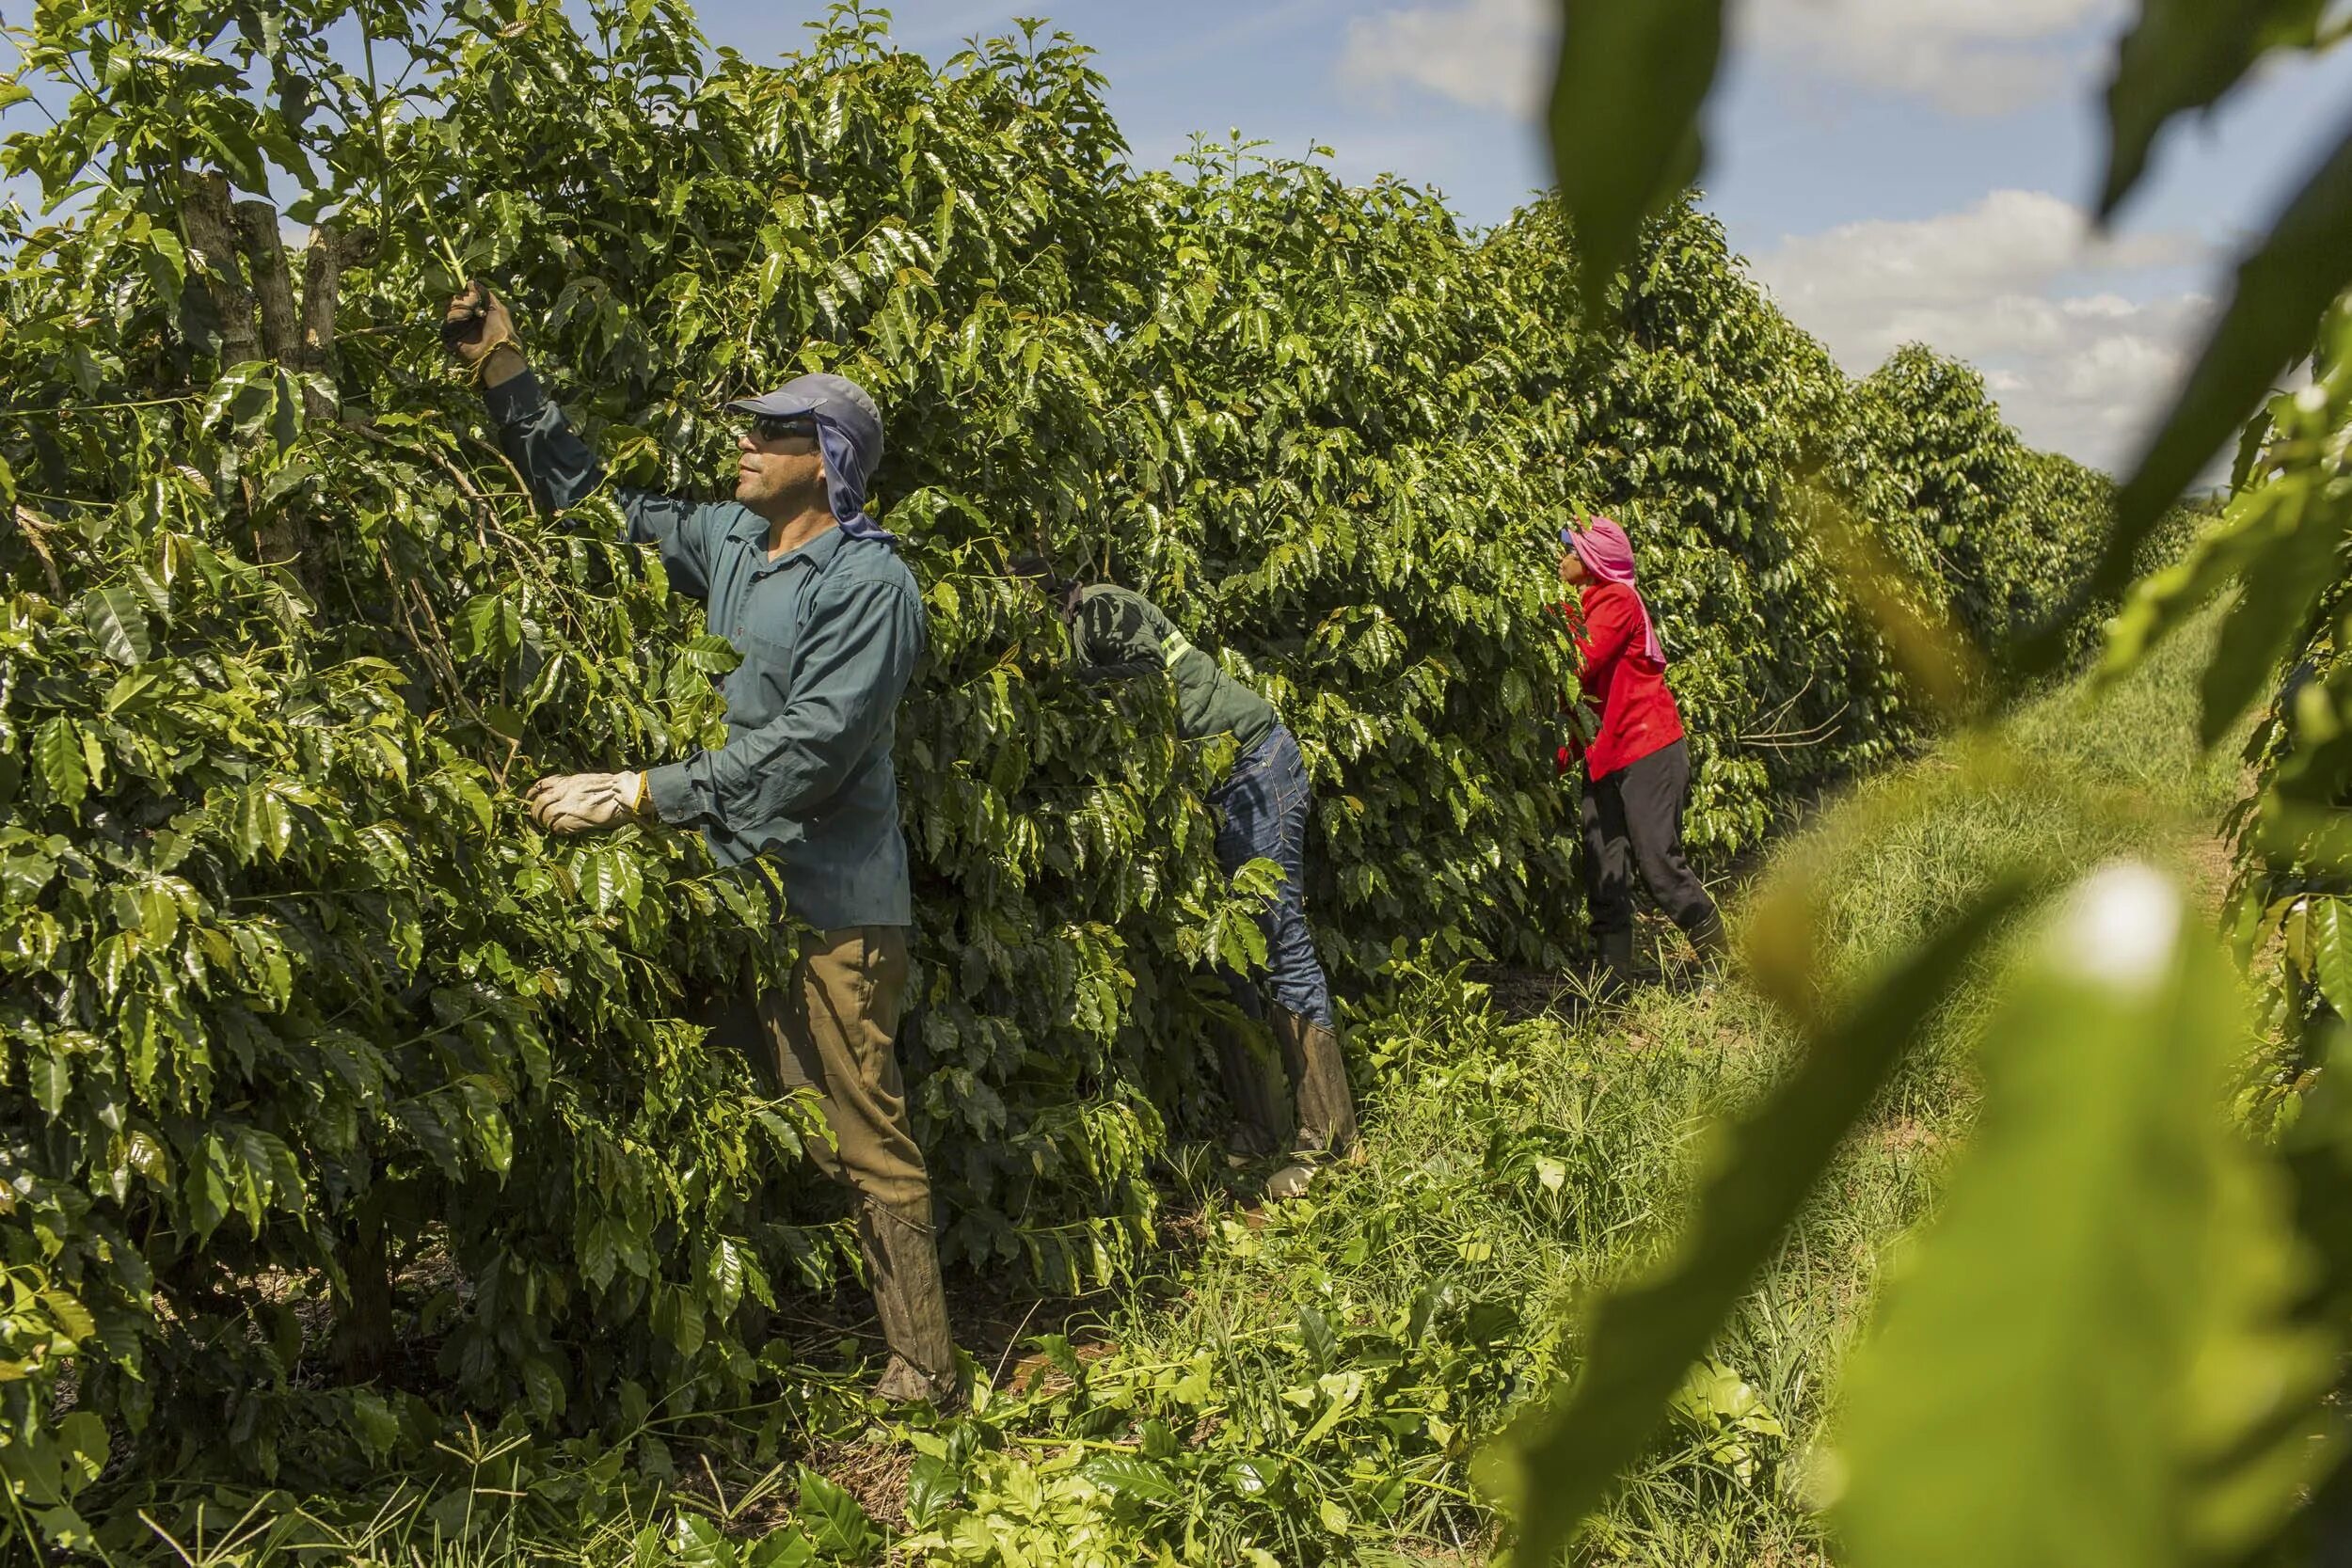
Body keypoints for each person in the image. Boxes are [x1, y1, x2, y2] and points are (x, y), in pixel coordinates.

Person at [441, 283, 956, 1405]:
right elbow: (588, 507)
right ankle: (753, 1336)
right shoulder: (731, 539)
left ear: (825, 458)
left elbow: (811, 748)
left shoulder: (872, 582)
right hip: (739, 890)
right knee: (757, 1112)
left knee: (859, 1129)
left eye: (770, 431)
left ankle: (925, 1368)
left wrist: (638, 791)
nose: (745, 443)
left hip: (836, 902)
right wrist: (505, 376)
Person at [1009, 554, 1356, 1200]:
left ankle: (1331, 1144)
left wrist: (1074, 689)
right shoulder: (1080, 626)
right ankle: (1259, 1126)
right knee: (1225, 958)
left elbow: (1149, 694)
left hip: (1255, 767)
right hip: (1211, 785)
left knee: (1280, 943)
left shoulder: (1103, 611)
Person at [1557, 515, 1725, 994]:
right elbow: (1582, 696)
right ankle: (1611, 986)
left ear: (1590, 558)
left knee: (1658, 862)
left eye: (1570, 546)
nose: (1561, 555)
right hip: (1605, 754)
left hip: (1647, 749)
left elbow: (1580, 661)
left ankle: (1721, 961)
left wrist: (1543, 625)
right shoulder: (1588, 602)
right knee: (1604, 867)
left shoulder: (1616, 600)